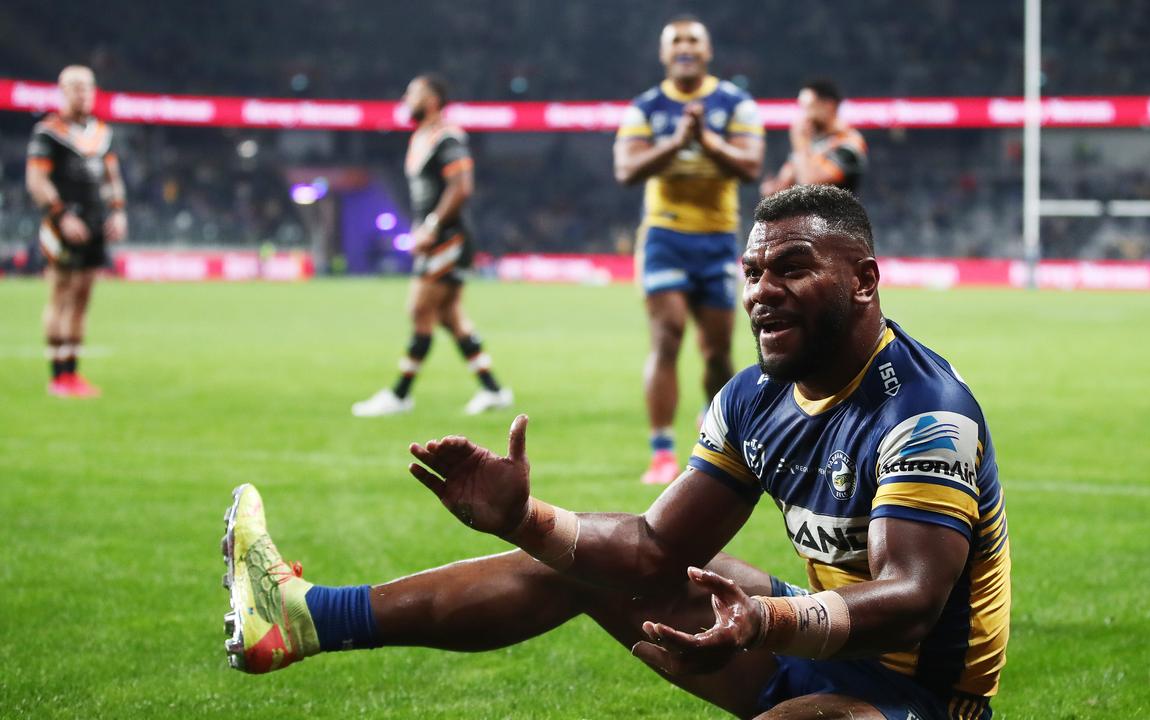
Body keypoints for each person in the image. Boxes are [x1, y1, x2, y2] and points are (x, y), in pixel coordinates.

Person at [223, 186, 1010, 720]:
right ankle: (304, 618)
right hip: (794, 635)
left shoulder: (924, 414)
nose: (761, 290)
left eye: (793, 267)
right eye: (752, 272)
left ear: (866, 281)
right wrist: (526, 520)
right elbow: (654, 549)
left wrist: (765, 619)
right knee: (583, 563)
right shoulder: (754, 397)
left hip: (925, 694)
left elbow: (911, 599)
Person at [614, 15, 765, 485]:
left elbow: (751, 164)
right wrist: (678, 141)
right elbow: (626, 169)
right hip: (665, 235)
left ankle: (712, 428)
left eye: (693, 40)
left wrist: (706, 140)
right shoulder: (647, 107)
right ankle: (661, 451)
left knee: (718, 352)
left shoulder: (735, 103)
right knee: (668, 334)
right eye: (675, 40)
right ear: (664, 54)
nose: (684, 47)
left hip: (718, 238)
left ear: (707, 51)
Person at [352, 74, 513, 418]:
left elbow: (461, 187)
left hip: (449, 238)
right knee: (451, 318)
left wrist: (432, 225)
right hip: (439, 237)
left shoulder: (447, 139)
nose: (406, 98)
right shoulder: (422, 138)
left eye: (414, 93)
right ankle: (494, 390)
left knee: (419, 310)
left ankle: (400, 394)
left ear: (433, 100)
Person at [26, 65, 127, 397]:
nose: (84, 94)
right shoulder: (48, 133)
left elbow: (112, 178)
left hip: (95, 223)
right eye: (76, 88)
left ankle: (73, 373)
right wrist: (61, 215)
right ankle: (57, 376)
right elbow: (37, 181)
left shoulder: (101, 133)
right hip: (63, 224)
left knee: (83, 297)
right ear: (63, 91)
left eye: (88, 88)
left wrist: (117, 211)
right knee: (61, 293)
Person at [762, 80, 867, 197]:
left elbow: (810, 184)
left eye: (809, 107)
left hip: (834, 214)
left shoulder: (850, 142)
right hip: (806, 214)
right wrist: (772, 189)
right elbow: (784, 185)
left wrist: (800, 142)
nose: (804, 115)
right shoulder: (811, 141)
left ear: (829, 106)